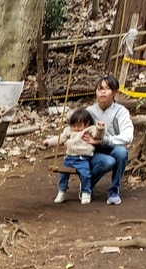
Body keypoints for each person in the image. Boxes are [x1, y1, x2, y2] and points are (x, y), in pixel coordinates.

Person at [83, 75, 134, 205]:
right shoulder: (89, 111)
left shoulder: (121, 112)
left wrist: (104, 141)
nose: (103, 92)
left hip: (112, 147)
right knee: (108, 162)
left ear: (115, 92)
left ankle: (114, 189)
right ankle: (86, 186)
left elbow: (128, 136)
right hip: (93, 150)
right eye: (100, 89)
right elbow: (77, 130)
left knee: (121, 153)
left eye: (107, 89)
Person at [41, 108, 103, 205]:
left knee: (85, 175)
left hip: (83, 159)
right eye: (73, 125)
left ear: (87, 124)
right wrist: (48, 142)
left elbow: (98, 134)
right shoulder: (68, 131)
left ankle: (86, 192)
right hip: (69, 158)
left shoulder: (89, 130)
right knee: (63, 175)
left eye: (79, 126)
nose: (76, 128)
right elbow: (60, 139)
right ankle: (62, 191)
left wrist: (100, 128)